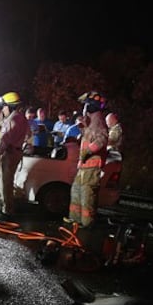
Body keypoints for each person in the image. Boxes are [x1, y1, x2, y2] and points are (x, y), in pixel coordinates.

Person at [68, 91, 109, 228]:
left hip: (92, 166)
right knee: (76, 191)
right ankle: (76, 219)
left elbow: (101, 140)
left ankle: (87, 223)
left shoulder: (98, 121)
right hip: (85, 165)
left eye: (85, 105)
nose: (83, 108)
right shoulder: (91, 121)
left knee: (87, 196)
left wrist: (88, 151)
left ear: (91, 106)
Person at [0, 91, 30, 220]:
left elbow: (3, 140)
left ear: (9, 106)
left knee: (5, 182)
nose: (2, 109)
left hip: (10, 153)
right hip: (18, 152)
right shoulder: (22, 118)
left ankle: (6, 209)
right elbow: (28, 135)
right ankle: (8, 206)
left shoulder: (10, 120)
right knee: (10, 180)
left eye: (3, 107)